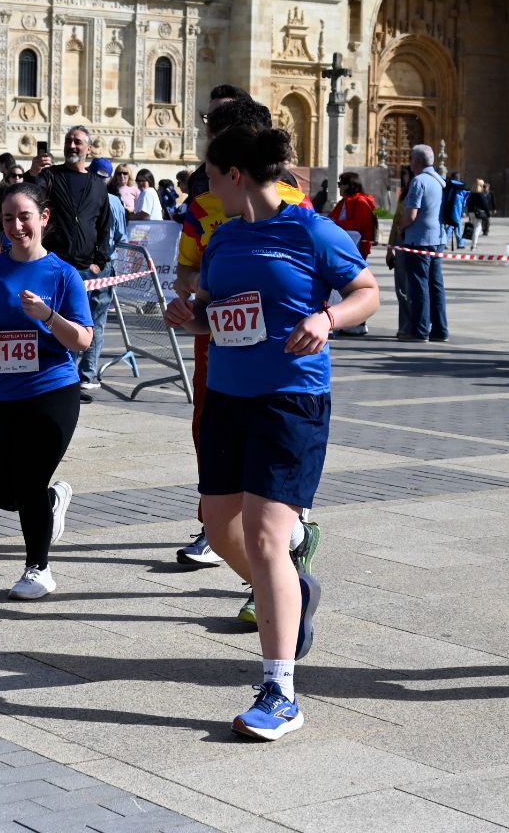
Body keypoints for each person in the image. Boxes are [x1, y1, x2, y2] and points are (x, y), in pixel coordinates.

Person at [163, 124, 378, 740]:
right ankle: (287, 589)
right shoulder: (224, 237)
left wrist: (326, 317)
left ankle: (280, 690)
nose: (205, 186)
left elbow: (367, 291)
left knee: (263, 537)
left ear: (235, 175)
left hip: (291, 401)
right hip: (229, 398)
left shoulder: (311, 231)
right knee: (217, 524)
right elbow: (210, 307)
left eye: (210, 174)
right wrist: (190, 314)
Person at [172, 90, 320, 589]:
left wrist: (318, 315)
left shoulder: (295, 206)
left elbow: (336, 278)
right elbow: (187, 268)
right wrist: (200, 298)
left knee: (269, 489)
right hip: (221, 342)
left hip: (283, 361)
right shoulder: (205, 206)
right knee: (208, 432)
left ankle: (282, 546)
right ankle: (220, 527)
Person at [0, 180, 94, 599]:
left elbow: (83, 341)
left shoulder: (63, 274)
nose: (16, 226)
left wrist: (48, 315)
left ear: (44, 218)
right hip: (0, 390)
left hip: (51, 389)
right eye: (8, 218)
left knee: (28, 479)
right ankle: (52, 503)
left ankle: (38, 569)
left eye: (24, 217)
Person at [38, 127, 114, 403]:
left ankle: (70, 381)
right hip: (56, 266)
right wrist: (33, 173)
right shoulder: (50, 176)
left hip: (86, 269)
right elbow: (32, 200)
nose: (72, 145)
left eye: (78, 142)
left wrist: (99, 261)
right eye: (69, 140)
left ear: (88, 149)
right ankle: (57, 380)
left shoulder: (97, 184)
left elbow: (105, 225)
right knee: (53, 325)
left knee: (80, 326)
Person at [77, 157, 127, 391]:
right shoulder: (116, 202)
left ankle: (69, 367)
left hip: (83, 264)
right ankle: (88, 373)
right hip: (106, 265)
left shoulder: (86, 197)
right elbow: (121, 237)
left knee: (75, 316)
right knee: (97, 320)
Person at [391, 144, 448, 342]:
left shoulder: (419, 181)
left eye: (411, 158)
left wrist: (401, 228)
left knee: (418, 285)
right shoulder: (440, 180)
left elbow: (411, 214)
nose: (410, 162)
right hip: (438, 239)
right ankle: (440, 330)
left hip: (419, 240)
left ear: (416, 161)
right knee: (436, 284)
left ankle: (420, 331)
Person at [329, 172, 377, 337]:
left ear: (350, 185)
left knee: (356, 288)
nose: (339, 187)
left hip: (356, 251)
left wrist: (335, 224)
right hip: (342, 251)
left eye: (341, 183)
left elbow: (359, 224)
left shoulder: (360, 202)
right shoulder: (344, 202)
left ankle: (358, 324)